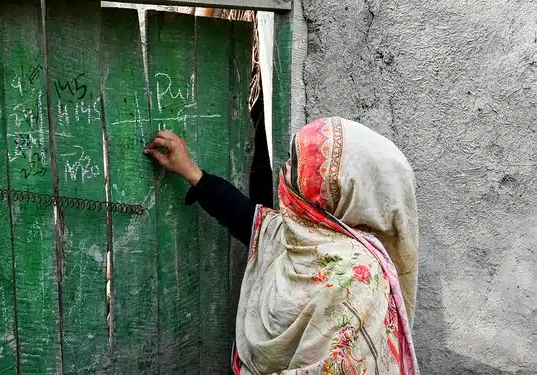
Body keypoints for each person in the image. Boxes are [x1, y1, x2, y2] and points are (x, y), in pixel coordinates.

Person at [144, 116, 419, 375]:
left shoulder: (360, 275)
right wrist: (190, 171)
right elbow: (245, 216)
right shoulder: (298, 235)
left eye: (298, 164)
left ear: (327, 188)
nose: (285, 168)